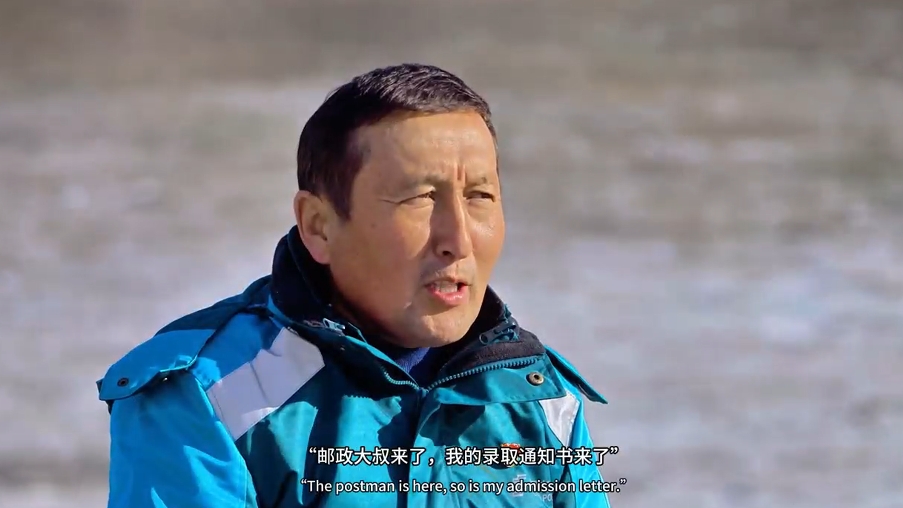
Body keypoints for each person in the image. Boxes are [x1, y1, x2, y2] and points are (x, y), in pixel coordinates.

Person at [97, 63, 611, 508]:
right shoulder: (207, 395)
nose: (458, 240)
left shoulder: (539, 399)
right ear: (319, 225)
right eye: (419, 199)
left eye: (480, 196)